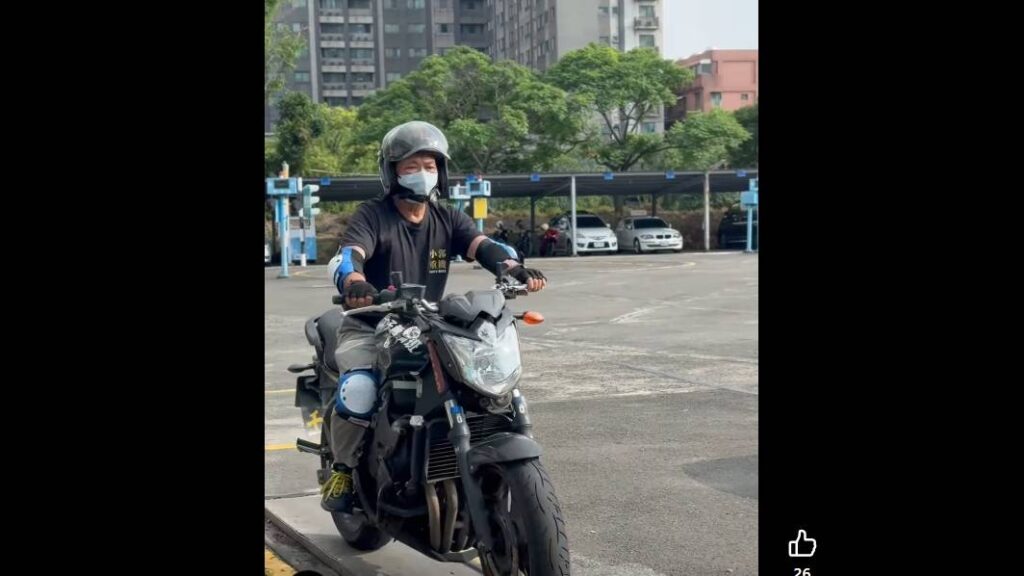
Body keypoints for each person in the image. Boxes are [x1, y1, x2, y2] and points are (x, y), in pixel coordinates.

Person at [321, 121, 548, 513]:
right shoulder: (372, 215)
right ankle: (342, 470)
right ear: (392, 172)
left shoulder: (447, 218)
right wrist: (356, 284)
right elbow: (350, 256)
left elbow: (482, 245)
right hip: (371, 322)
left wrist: (512, 268)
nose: (421, 173)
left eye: (429, 165)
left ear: (440, 172)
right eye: (411, 166)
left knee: (475, 383)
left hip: (426, 324)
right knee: (360, 389)